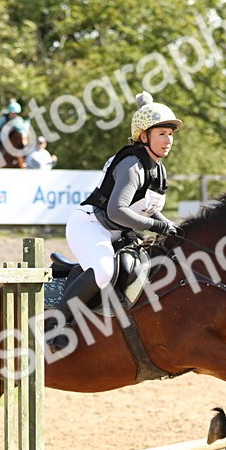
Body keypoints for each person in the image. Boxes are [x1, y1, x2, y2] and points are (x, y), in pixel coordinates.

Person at [50, 92, 183, 349]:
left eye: (171, 134)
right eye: (162, 134)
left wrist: (170, 226)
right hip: (90, 224)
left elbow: (148, 209)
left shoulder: (158, 169)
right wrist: (157, 226)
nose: (169, 140)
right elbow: (116, 211)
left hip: (116, 232)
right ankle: (56, 323)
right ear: (144, 136)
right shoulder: (132, 165)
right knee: (104, 271)